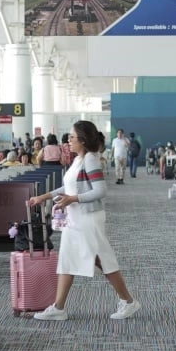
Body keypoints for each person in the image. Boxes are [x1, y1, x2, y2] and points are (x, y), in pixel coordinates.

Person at [27, 120, 141, 321]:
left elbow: (100, 191)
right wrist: (43, 197)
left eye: (71, 137)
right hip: (77, 217)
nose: (68, 141)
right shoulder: (79, 160)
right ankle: (59, 307)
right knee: (69, 258)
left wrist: (73, 199)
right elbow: (69, 188)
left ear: (82, 140)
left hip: (88, 218)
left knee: (101, 258)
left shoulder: (90, 160)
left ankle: (128, 301)